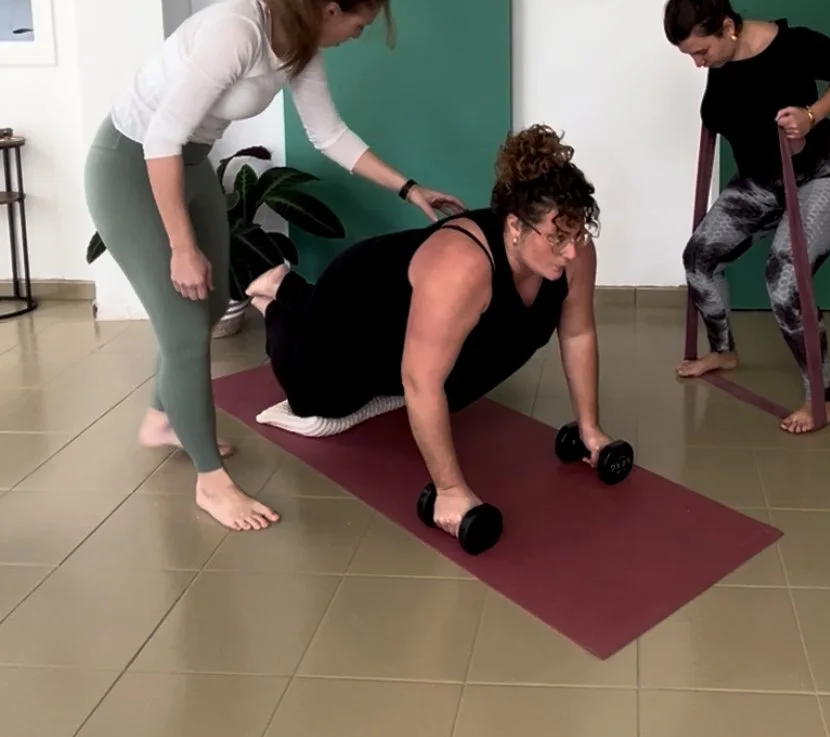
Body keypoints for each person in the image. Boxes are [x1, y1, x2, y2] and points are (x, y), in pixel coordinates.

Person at [85, 0, 462, 533]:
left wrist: (409, 188)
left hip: (189, 162)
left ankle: (163, 419)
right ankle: (211, 483)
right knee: (184, 320)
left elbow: (329, 134)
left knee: (213, 300)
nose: (358, 35)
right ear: (331, 9)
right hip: (132, 163)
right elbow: (160, 138)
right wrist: (182, 247)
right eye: (360, 23)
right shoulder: (238, 31)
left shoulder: (299, 46)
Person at [246, 125, 619, 539]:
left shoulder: (574, 255)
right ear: (515, 226)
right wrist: (450, 490)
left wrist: (589, 429)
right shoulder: (462, 268)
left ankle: (297, 296)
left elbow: (578, 335)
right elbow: (420, 382)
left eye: (578, 233)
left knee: (444, 366)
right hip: (356, 306)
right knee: (316, 403)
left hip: (413, 312)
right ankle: (278, 292)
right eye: (558, 238)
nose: (571, 250)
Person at [657, 0, 830, 433]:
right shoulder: (724, 60)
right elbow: (727, 108)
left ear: (727, 27)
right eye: (691, 56)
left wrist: (811, 115)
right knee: (699, 258)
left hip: (826, 174)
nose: (698, 63)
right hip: (764, 181)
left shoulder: (792, 45)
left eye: (701, 51)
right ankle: (723, 351)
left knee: (784, 279)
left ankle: (822, 399)